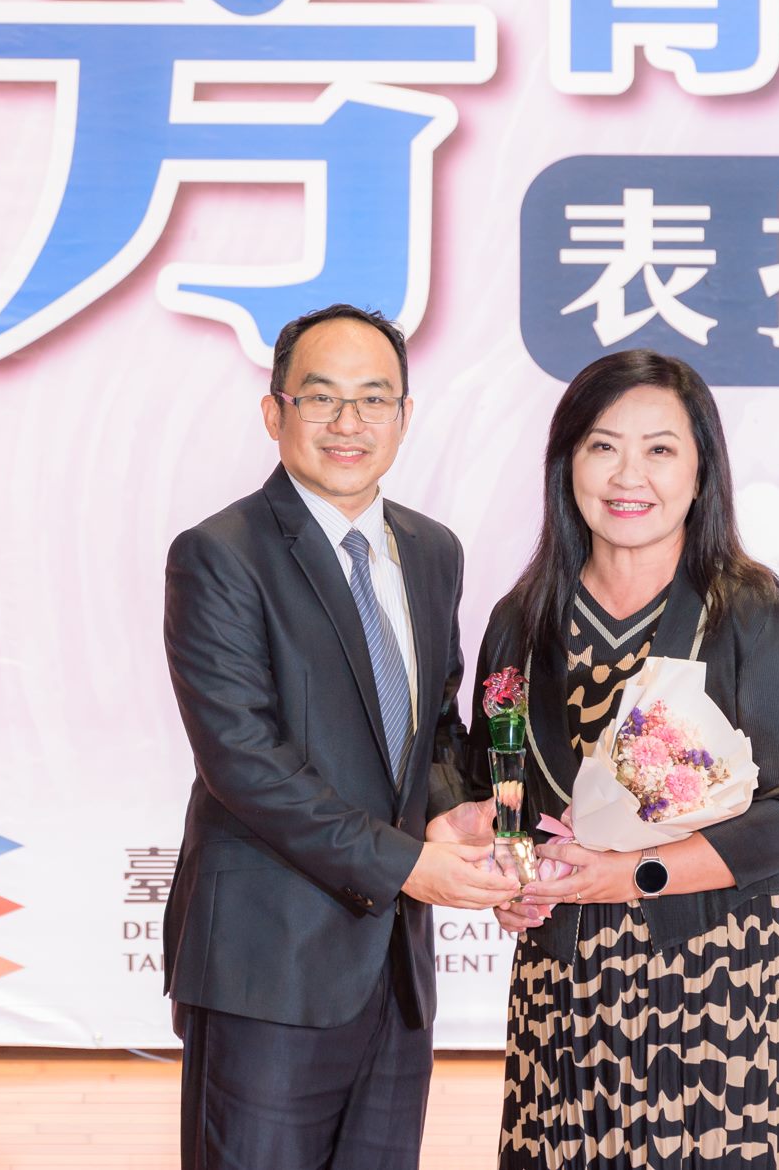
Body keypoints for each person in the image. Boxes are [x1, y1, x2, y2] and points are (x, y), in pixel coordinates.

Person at [460, 349, 779, 1169]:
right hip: (567, 980)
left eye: (660, 449)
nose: (627, 475)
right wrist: (511, 879)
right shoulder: (520, 621)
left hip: (720, 976)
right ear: (566, 464)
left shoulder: (749, 612)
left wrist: (637, 873)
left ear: (701, 473)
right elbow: (495, 784)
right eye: (602, 446)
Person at [161, 304, 516, 1170]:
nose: (348, 423)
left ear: (404, 414)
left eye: (373, 399)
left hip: (395, 971)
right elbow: (245, 763)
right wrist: (408, 865)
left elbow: (435, 723)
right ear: (274, 411)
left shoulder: (432, 552)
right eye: (321, 398)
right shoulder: (219, 555)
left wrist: (451, 813)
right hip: (267, 965)